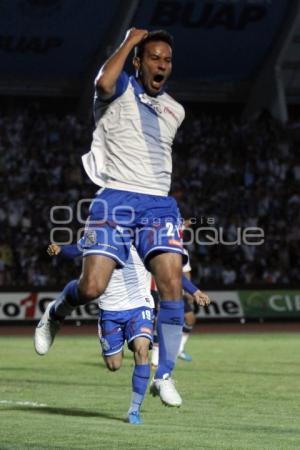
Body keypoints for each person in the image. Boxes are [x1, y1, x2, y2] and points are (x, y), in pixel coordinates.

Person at [35, 28, 187, 407]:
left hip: (157, 203)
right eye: (153, 57)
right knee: (91, 289)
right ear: (138, 61)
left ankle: (164, 374)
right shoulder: (117, 90)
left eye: (166, 60)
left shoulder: (175, 110)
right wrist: (130, 41)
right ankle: (57, 311)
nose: (161, 65)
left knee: (170, 283)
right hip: (115, 197)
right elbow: (103, 80)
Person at [46, 242, 154, 425]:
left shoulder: (144, 236)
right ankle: (58, 306)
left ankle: (134, 410)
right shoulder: (104, 234)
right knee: (114, 365)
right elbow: (79, 249)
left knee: (142, 351)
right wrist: (61, 249)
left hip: (139, 305)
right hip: (110, 309)